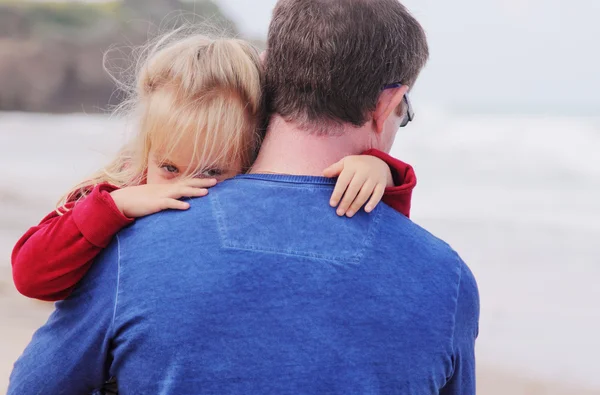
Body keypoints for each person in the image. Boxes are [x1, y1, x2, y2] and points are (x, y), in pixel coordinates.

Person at [8, 1, 479, 395]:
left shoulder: (132, 244)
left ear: (272, 72)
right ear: (385, 104)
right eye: (404, 111)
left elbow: (31, 391)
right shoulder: (445, 278)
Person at [10, 33, 416, 302]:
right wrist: (114, 207)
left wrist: (379, 172)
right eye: (169, 167)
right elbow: (31, 278)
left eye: (211, 171)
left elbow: (372, 249)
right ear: (147, 147)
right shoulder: (120, 188)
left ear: (256, 153)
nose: (184, 185)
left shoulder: (260, 183)